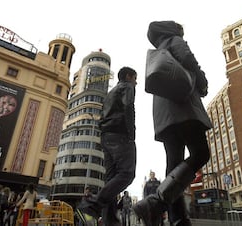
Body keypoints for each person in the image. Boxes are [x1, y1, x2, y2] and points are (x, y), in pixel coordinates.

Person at [133, 21, 212, 226]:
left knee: (174, 163)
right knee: (201, 153)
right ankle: (156, 202)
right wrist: (201, 80)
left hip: (164, 114)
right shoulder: (174, 41)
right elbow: (187, 58)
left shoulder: (157, 53)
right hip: (183, 106)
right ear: (172, 30)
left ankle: (178, 218)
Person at [77, 66, 138, 226]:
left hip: (106, 136)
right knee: (126, 173)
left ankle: (110, 220)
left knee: (111, 178)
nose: (136, 82)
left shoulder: (111, 93)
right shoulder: (127, 86)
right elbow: (128, 107)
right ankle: (92, 204)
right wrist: (131, 134)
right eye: (135, 78)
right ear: (128, 76)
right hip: (120, 134)